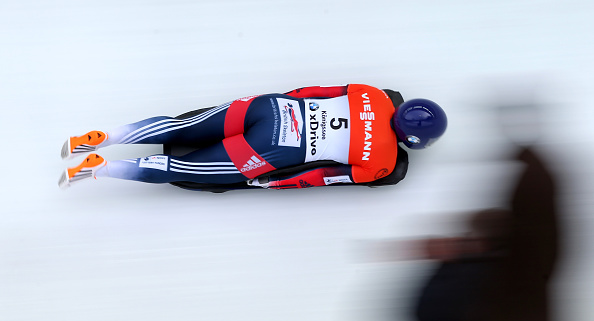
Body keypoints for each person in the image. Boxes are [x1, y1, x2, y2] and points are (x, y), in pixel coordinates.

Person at [58, 84, 447, 190]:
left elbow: (311, 92)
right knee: (187, 169)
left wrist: (278, 102)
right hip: (269, 149)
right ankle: (101, 169)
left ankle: (103, 136)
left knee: (182, 126)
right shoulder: (381, 164)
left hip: (270, 108)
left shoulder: (372, 94)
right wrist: (274, 182)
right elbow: (322, 176)